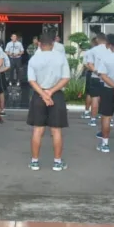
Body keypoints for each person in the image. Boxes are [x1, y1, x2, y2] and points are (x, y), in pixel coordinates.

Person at [27, 32, 70, 172]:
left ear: (39, 43)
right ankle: (57, 162)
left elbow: (31, 80)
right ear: (53, 44)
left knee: (37, 130)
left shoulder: (34, 59)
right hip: (56, 95)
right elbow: (65, 78)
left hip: (39, 95)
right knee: (56, 131)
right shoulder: (61, 57)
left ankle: (34, 162)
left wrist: (43, 93)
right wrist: (50, 92)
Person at [96, 34, 114, 153]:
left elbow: (102, 75)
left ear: (110, 45)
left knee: (106, 116)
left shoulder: (106, 58)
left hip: (108, 89)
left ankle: (105, 144)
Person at [85, 33, 109, 127]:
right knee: (107, 99)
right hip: (108, 78)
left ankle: (93, 119)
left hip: (96, 77)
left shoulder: (93, 50)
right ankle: (109, 120)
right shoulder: (109, 49)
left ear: (98, 40)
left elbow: (89, 64)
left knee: (95, 98)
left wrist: (97, 72)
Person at [81, 38, 97, 119]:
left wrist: (93, 70)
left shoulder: (89, 52)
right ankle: (98, 113)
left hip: (91, 73)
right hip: (102, 74)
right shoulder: (105, 51)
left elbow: (85, 64)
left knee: (89, 93)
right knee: (99, 94)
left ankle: (87, 112)